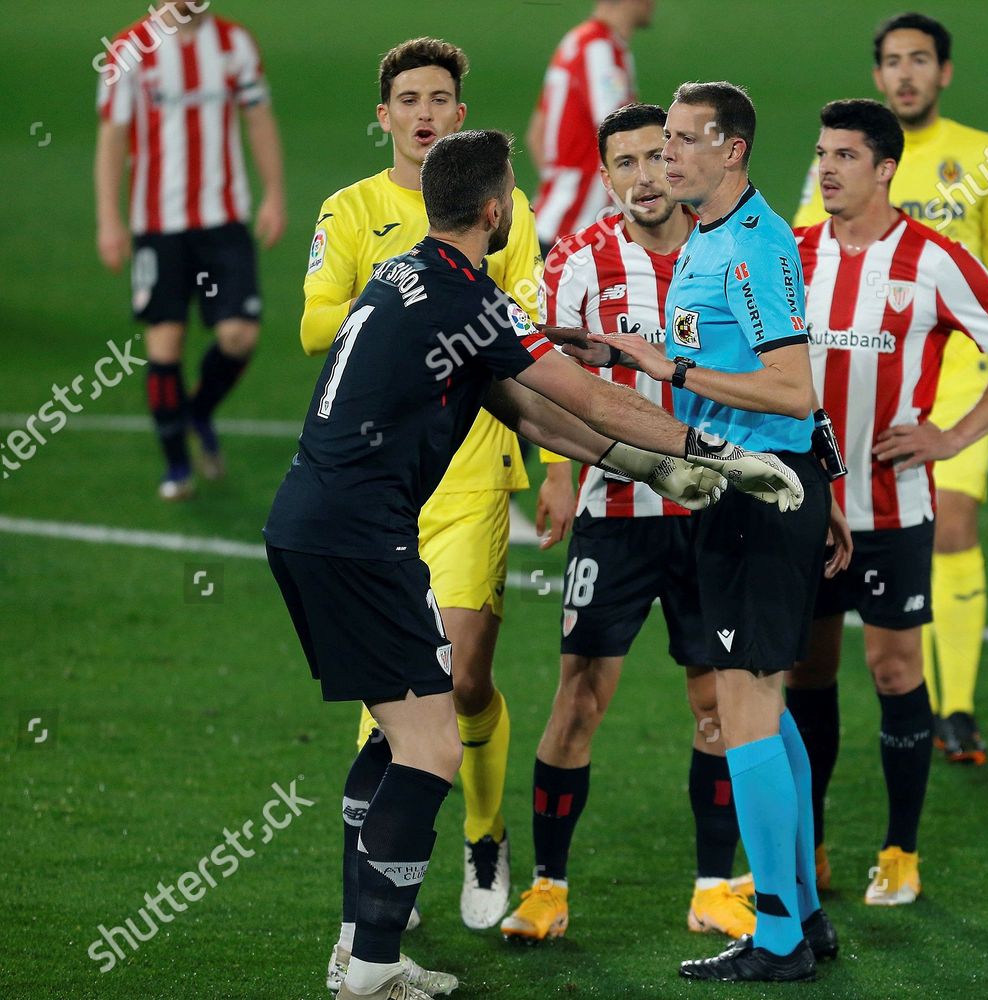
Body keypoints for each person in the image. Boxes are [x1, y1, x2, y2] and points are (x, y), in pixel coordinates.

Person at [265, 128, 802, 1000]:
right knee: (432, 748)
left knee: (397, 738)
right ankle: (371, 968)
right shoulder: (467, 299)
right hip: (361, 540)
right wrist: (714, 449)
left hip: (311, 525)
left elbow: (534, 413)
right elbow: (587, 396)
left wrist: (658, 469)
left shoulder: (409, 274)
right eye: (514, 195)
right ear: (494, 210)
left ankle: (358, 947)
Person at [571, 81, 846, 983]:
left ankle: (776, 939)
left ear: (731, 151)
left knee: (747, 710)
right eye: (656, 148)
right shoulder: (717, 238)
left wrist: (668, 363)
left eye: (682, 143)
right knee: (764, 700)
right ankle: (801, 915)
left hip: (756, 494)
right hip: (751, 491)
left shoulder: (748, 249)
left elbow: (790, 387)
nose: (665, 159)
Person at [300, 40, 540, 978]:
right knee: (396, 701)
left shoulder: (503, 207)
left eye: (443, 97)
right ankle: (367, 924)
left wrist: (555, 464)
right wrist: (397, 297)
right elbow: (316, 323)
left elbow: (526, 343)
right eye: (409, 98)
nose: (427, 111)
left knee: (466, 676)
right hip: (389, 474)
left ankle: (484, 834)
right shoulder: (353, 212)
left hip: (474, 464)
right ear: (385, 115)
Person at [502, 103, 756, 944]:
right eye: (626, 163)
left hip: (712, 512)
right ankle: (547, 887)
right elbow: (550, 381)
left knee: (715, 704)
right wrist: (558, 477)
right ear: (605, 174)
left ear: (685, 159)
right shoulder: (577, 261)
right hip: (617, 514)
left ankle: (713, 887)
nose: (646, 177)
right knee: (579, 700)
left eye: (660, 155)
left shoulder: (731, 254)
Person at [790, 99, 988, 908]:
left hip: (894, 508)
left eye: (844, 156)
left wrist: (953, 435)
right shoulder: (792, 254)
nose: (826, 169)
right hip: (806, 512)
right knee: (809, 675)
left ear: (884, 168)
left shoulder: (933, 260)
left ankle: (901, 851)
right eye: (822, 154)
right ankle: (813, 845)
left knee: (894, 667)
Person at [94, 0, 286, 500]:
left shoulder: (234, 43)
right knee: (165, 343)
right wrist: (109, 219)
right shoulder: (128, 49)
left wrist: (275, 194)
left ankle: (198, 410)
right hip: (158, 226)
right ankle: (177, 466)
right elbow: (113, 137)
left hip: (224, 220)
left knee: (239, 335)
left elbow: (259, 117)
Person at [527, 0, 655, 248]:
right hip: (576, 235)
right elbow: (621, 132)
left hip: (553, 224)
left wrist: (562, 189)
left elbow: (537, 134)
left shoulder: (579, 43)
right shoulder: (599, 49)